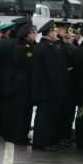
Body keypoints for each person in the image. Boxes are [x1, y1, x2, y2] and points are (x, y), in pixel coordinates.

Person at [31, 20, 66, 151]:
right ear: (50, 32)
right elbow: (53, 72)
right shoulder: (48, 48)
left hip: (41, 88)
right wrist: (58, 89)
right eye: (56, 31)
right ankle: (41, 142)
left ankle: (40, 141)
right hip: (48, 90)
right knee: (45, 118)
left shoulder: (40, 46)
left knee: (42, 116)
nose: (57, 33)